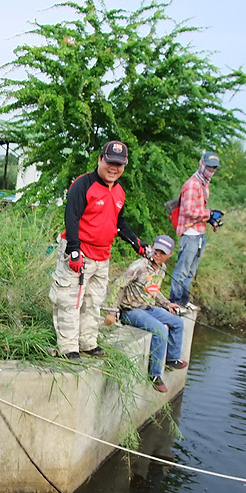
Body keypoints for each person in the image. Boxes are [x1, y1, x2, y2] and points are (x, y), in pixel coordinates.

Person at [49, 140, 149, 360]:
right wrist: (74, 251)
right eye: (110, 162)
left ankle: (87, 342)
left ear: (125, 165)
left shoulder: (120, 191)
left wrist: (136, 242)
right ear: (100, 160)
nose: (114, 168)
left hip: (102, 256)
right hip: (79, 253)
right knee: (70, 300)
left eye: (119, 164)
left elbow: (119, 222)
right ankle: (68, 347)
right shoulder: (83, 184)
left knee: (93, 301)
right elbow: (71, 217)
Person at [104, 234, 187, 393]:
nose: (158, 255)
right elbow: (118, 285)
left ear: (169, 255)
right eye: (156, 250)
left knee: (178, 322)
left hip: (149, 308)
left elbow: (154, 290)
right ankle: (155, 375)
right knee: (160, 331)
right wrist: (111, 312)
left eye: (163, 253)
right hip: (131, 310)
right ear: (152, 248)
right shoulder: (139, 266)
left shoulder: (162, 269)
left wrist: (166, 304)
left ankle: (171, 359)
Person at [169, 151, 220, 307]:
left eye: (214, 168)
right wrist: (209, 213)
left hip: (199, 233)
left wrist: (211, 220)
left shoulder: (204, 184)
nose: (211, 170)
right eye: (209, 166)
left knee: (191, 272)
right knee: (182, 271)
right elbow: (188, 211)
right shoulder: (193, 184)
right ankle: (175, 302)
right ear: (201, 163)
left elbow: (198, 210)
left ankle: (184, 301)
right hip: (190, 234)